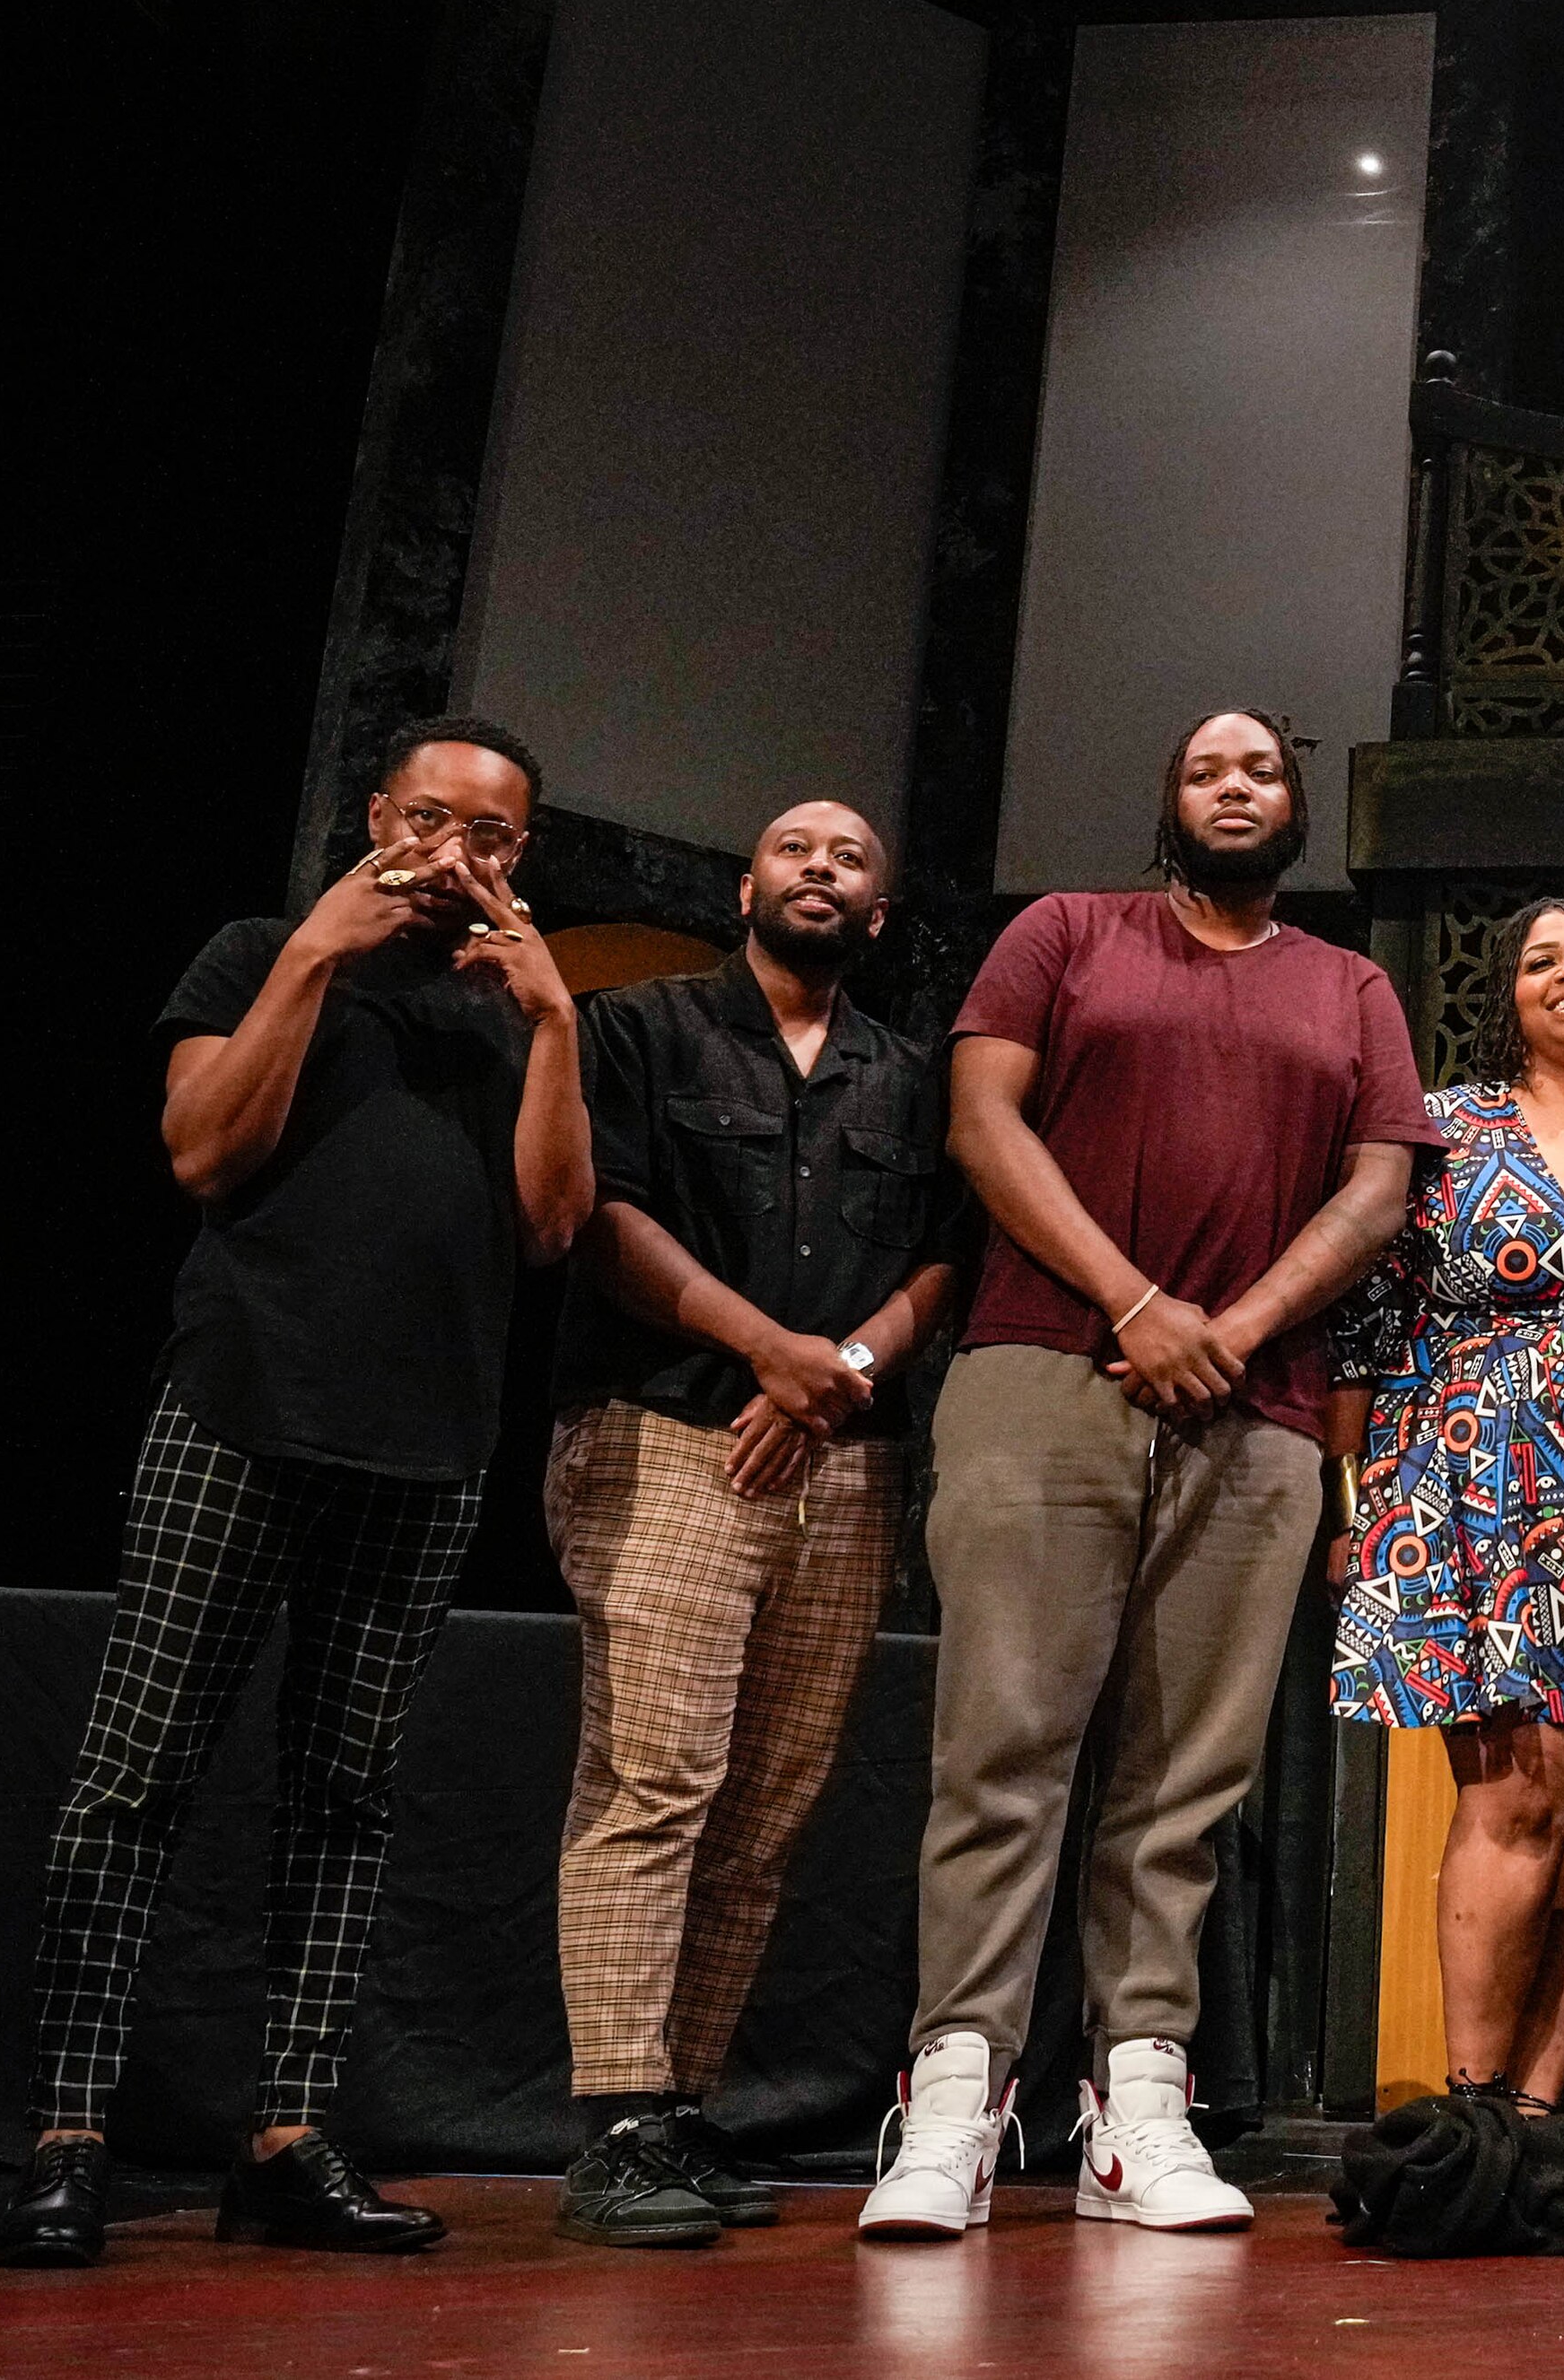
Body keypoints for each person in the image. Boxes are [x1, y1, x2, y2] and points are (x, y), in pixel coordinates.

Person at [0, 717, 593, 2268]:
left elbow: (549, 1227)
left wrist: (559, 1028)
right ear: (380, 815)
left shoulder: (509, 1003)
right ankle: (65, 2139)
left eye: (497, 835)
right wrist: (316, 953)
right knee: (135, 1777)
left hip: (429, 1443)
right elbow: (202, 1150)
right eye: (438, 819)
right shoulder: (264, 943)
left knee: (345, 1796)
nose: (463, 855)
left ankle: (286, 2134)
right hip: (244, 1407)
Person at [861, 711, 1434, 2242]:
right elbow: (984, 1121)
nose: (1235, 784)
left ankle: (1138, 2103)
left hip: (1259, 1411)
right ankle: (954, 2100)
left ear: (1295, 807)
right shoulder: (1066, 931)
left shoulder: (1352, 985)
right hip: (1047, 1366)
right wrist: (1133, 1301)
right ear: (1169, 801)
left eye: (1261, 769)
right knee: (1004, 1746)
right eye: (1205, 767)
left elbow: (1380, 1183)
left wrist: (1232, 1327)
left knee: (1186, 1781)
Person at [547, 800, 970, 2249]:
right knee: (655, 1776)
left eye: (853, 858)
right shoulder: (647, 1026)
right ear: (748, 883)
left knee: (767, 1805)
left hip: (845, 1459)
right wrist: (767, 1348)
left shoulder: (906, 1074)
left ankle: (683, 2105)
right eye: (798, 848)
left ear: (877, 908)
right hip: (668, 1428)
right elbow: (599, 1213)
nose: (823, 869)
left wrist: (839, 1369)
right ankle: (613, 2121)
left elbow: (941, 1259)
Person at [1325, 896, 1564, 2114]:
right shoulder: (1444, 1125)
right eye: (1541, 960)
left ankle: (1538, 2109)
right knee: (1516, 1783)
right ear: (1511, 996)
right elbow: (1366, 1323)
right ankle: (1472, 2100)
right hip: (1475, 1469)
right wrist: (1353, 1497)